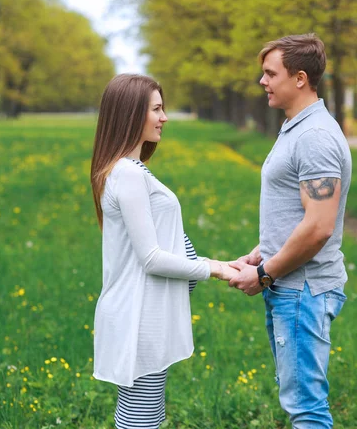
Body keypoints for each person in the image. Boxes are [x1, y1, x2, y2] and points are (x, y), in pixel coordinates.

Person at [91, 73, 238, 429]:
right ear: (131, 114)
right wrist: (215, 269)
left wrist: (224, 262)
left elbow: (172, 240)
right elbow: (152, 258)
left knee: (146, 414)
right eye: (156, 109)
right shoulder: (127, 174)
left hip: (146, 312)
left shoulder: (134, 171)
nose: (164, 117)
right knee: (141, 418)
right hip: (138, 315)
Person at [229, 34, 352, 429]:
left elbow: (318, 227)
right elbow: (300, 214)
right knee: (298, 400)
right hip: (292, 283)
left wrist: (265, 273)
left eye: (270, 73)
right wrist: (264, 250)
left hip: (303, 290)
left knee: (306, 409)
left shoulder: (314, 137)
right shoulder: (297, 128)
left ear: (300, 78)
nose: (262, 81)